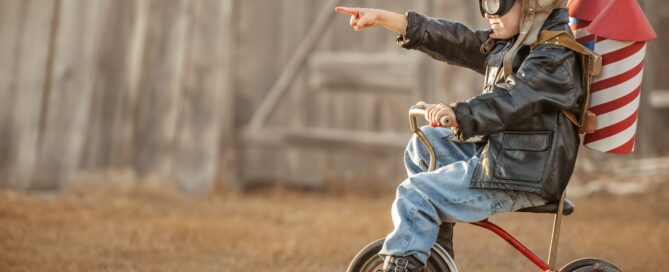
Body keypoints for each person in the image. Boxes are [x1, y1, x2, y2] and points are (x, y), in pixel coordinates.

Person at [336, 0, 583, 271]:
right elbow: (456, 40)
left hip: (524, 173)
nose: (490, 14)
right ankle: (433, 257)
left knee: (417, 194)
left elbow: (512, 98)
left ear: (534, 6)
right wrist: (382, 17)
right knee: (426, 143)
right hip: (508, 157)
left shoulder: (553, 56)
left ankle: (403, 265)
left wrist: (459, 114)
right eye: (485, 3)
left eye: (499, 4)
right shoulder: (517, 42)